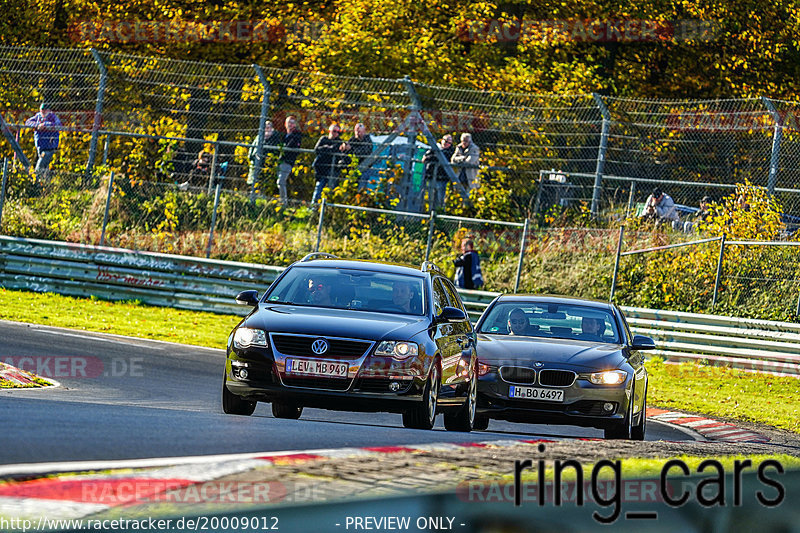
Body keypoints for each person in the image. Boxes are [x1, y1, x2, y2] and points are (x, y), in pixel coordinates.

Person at [24, 103, 61, 180]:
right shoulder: (38, 116)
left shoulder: (53, 117)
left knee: (40, 165)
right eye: (41, 111)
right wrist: (37, 125)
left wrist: (46, 125)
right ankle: (46, 184)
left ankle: (35, 181)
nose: (43, 112)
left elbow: (59, 125)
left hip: (50, 145)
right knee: (45, 166)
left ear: (49, 111)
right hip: (40, 145)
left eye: (45, 111)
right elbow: (27, 122)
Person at [311, 123, 347, 203]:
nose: (336, 133)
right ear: (329, 131)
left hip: (332, 169)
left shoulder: (339, 141)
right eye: (334, 131)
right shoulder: (323, 139)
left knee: (332, 190)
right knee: (319, 187)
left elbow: (335, 149)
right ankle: (313, 207)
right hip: (321, 169)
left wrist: (325, 149)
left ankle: (329, 209)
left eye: (338, 132)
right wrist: (329, 148)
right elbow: (317, 149)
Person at [247, 120, 282, 191]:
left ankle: (260, 195)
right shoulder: (259, 137)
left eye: (268, 128)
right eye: (265, 127)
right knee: (252, 181)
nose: (266, 129)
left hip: (267, 164)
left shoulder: (275, 138)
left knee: (264, 183)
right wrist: (251, 157)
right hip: (255, 161)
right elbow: (252, 148)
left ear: (272, 128)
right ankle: (251, 194)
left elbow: (275, 152)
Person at [422, 134, 455, 208]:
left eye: (449, 142)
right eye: (445, 141)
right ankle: (430, 214)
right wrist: (434, 157)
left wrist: (433, 157)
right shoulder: (434, 148)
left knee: (440, 199)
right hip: (431, 176)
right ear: (441, 140)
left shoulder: (451, 151)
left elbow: (444, 158)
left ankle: (440, 214)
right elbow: (425, 158)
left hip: (442, 178)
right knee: (430, 198)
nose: (446, 143)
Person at [276, 116, 302, 204]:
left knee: (281, 181)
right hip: (280, 160)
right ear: (285, 124)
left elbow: (291, 146)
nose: (290, 124)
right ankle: (281, 200)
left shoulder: (296, 134)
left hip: (288, 161)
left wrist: (283, 148)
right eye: (288, 122)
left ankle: (284, 203)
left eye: (292, 122)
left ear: (295, 124)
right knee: (278, 182)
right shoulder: (283, 135)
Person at [346, 123, 374, 188]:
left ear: (364, 131)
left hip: (365, 167)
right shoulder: (353, 139)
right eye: (356, 131)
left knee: (362, 184)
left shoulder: (367, 140)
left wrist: (351, 149)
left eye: (359, 131)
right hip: (353, 167)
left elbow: (364, 152)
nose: (358, 133)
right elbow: (346, 152)